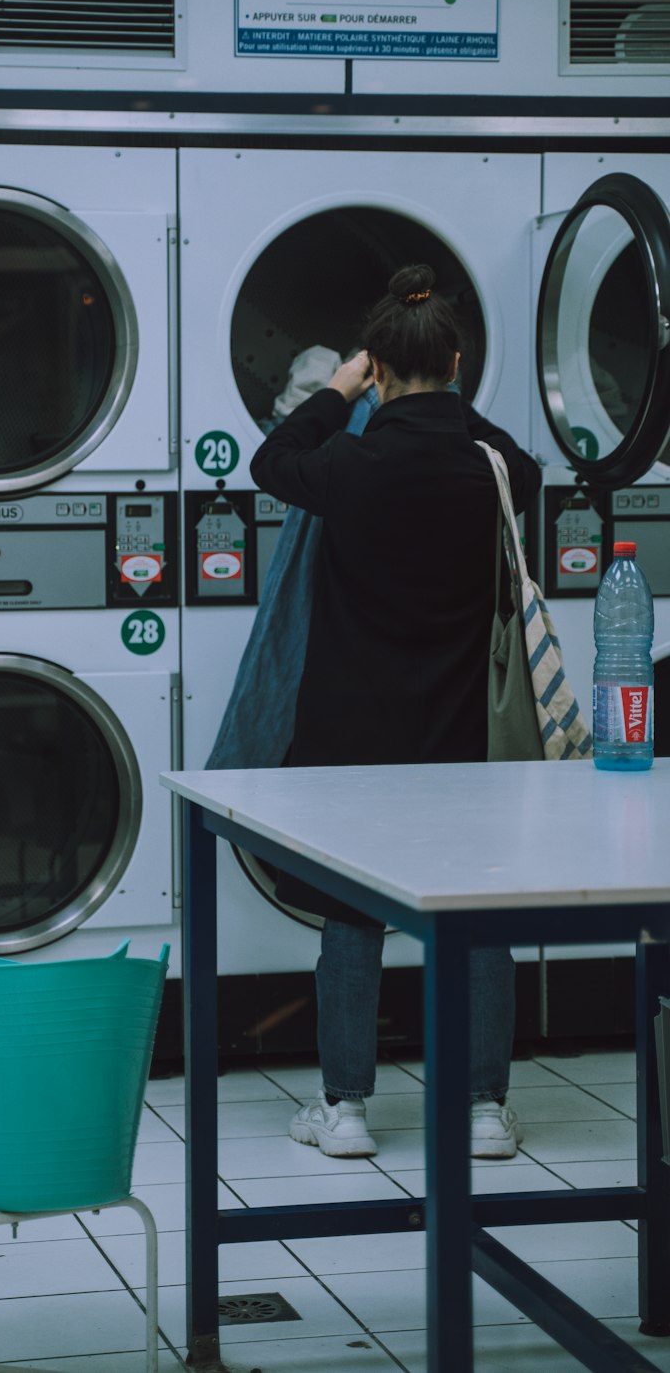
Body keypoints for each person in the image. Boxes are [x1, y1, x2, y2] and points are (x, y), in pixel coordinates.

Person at [249, 263, 542, 1161]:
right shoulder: (492, 467)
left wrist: (341, 390)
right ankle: (484, 1108)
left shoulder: (346, 459)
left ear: (376, 367)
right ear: (455, 362)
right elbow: (511, 460)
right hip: (462, 730)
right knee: (478, 906)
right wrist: (453, 398)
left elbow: (270, 461)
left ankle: (344, 1110)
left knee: (352, 911)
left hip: (355, 730)